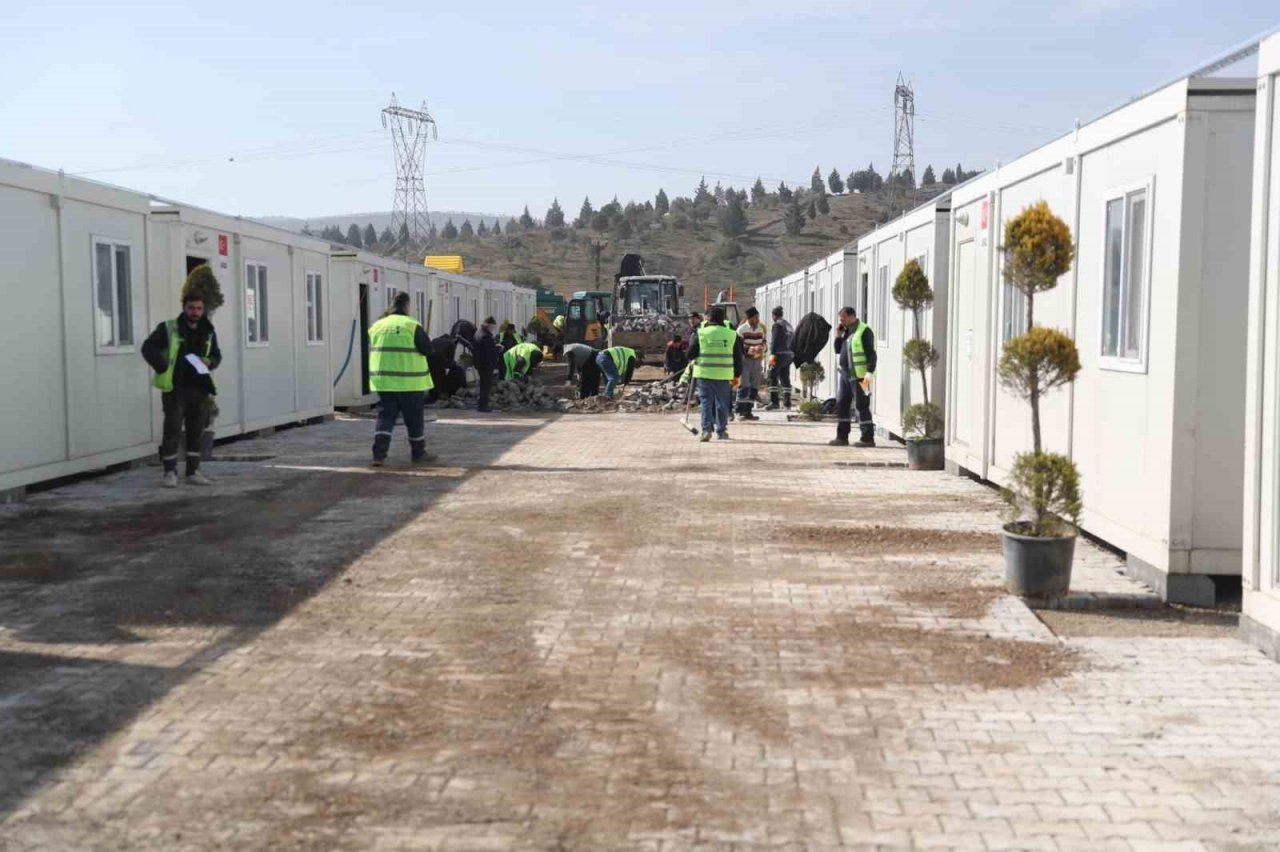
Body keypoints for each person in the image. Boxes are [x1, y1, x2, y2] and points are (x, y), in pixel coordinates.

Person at [142, 291, 222, 488]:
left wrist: (210, 361)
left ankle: (193, 471)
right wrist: (161, 365)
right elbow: (148, 347)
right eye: (191, 308)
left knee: (196, 431)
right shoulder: (169, 328)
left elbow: (217, 355)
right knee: (172, 430)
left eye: (199, 309)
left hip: (200, 388)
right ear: (184, 308)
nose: (195, 312)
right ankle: (169, 472)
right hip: (175, 388)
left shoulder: (209, 331)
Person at [368, 292, 435, 465]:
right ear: (407, 306)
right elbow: (427, 350)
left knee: (386, 418)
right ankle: (418, 453)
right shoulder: (411, 325)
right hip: (410, 383)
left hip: (385, 383)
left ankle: (378, 455)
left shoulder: (377, 326)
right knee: (414, 419)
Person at [684, 306, 742, 442]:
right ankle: (721, 431)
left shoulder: (701, 333)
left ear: (708, 318)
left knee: (706, 402)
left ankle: (706, 431)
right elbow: (738, 357)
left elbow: (690, 354)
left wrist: (693, 358)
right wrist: (737, 373)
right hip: (724, 375)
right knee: (722, 403)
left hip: (704, 374)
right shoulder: (731, 334)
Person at [830, 306, 877, 448]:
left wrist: (869, 374)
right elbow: (838, 350)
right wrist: (838, 336)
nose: (841, 321)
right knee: (842, 403)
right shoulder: (846, 331)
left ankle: (867, 438)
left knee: (862, 405)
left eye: (843, 318)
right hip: (845, 375)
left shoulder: (864, 330)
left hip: (861, 376)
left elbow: (871, 355)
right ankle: (842, 437)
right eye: (840, 319)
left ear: (852, 316)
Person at [736, 307, 768, 420]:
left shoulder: (760, 329)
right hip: (746, 360)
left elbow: (764, 342)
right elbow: (738, 347)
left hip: (757, 360)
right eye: (755, 317)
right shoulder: (741, 329)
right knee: (744, 385)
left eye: (758, 317)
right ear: (749, 318)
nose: (757, 319)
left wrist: (761, 348)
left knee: (755, 386)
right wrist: (750, 350)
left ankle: (748, 411)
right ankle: (740, 411)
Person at [767, 306, 794, 410]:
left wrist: (772, 354)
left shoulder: (777, 325)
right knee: (785, 377)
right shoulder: (788, 325)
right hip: (788, 355)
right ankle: (787, 403)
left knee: (772, 376)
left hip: (778, 354)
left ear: (774, 316)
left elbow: (775, 340)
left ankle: (774, 402)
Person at [473, 317, 501, 412]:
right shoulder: (486, 336)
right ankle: (483, 406)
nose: (493, 329)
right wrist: (497, 350)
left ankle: (482, 405)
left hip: (480, 364)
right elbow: (489, 353)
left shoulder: (478, 333)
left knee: (483, 385)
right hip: (486, 365)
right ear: (488, 325)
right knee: (486, 386)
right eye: (492, 327)